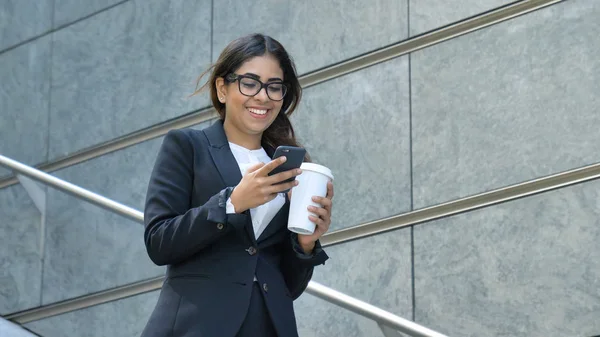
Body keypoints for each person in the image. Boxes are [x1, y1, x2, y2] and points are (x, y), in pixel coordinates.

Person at [140, 33, 334, 337]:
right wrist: (232, 203)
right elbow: (158, 242)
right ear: (222, 88)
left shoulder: (289, 168)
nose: (262, 96)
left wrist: (305, 244)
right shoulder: (188, 146)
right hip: (197, 326)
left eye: (274, 87)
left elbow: (288, 286)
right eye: (249, 82)